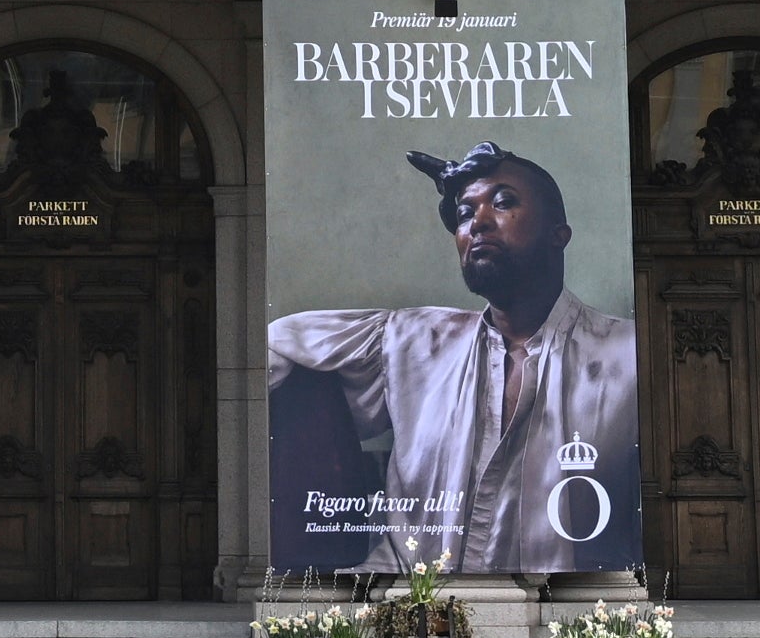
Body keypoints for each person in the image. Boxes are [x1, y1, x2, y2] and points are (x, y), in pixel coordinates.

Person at [262, 141, 644, 573]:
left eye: (503, 203)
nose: (477, 223)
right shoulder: (412, 341)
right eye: (464, 214)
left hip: (569, 618)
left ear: (559, 233)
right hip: (408, 604)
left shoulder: (629, 355)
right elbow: (273, 345)